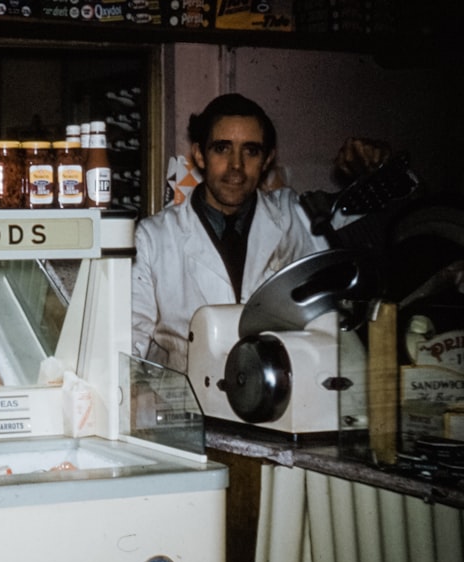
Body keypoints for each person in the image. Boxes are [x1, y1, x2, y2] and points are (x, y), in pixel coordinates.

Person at [131, 93, 389, 373]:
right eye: (222, 148)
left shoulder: (298, 216)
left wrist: (381, 172)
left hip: (286, 400)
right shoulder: (153, 238)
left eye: (251, 151)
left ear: (267, 159)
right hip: (193, 406)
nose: (236, 166)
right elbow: (129, 340)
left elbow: (399, 223)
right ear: (199, 155)